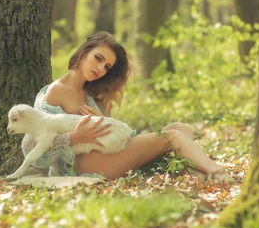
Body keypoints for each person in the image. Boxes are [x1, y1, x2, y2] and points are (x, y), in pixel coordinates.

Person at [20, 31, 233, 181]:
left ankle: (196, 174)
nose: (100, 68)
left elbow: (109, 132)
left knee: (181, 128)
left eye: (106, 66)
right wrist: (75, 137)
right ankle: (219, 173)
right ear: (84, 52)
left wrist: (104, 120)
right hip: (81, 165)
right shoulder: (55, 91)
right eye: (98, 58)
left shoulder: (90, 94)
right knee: (173, 137)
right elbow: (32, 146)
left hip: (105, 155)